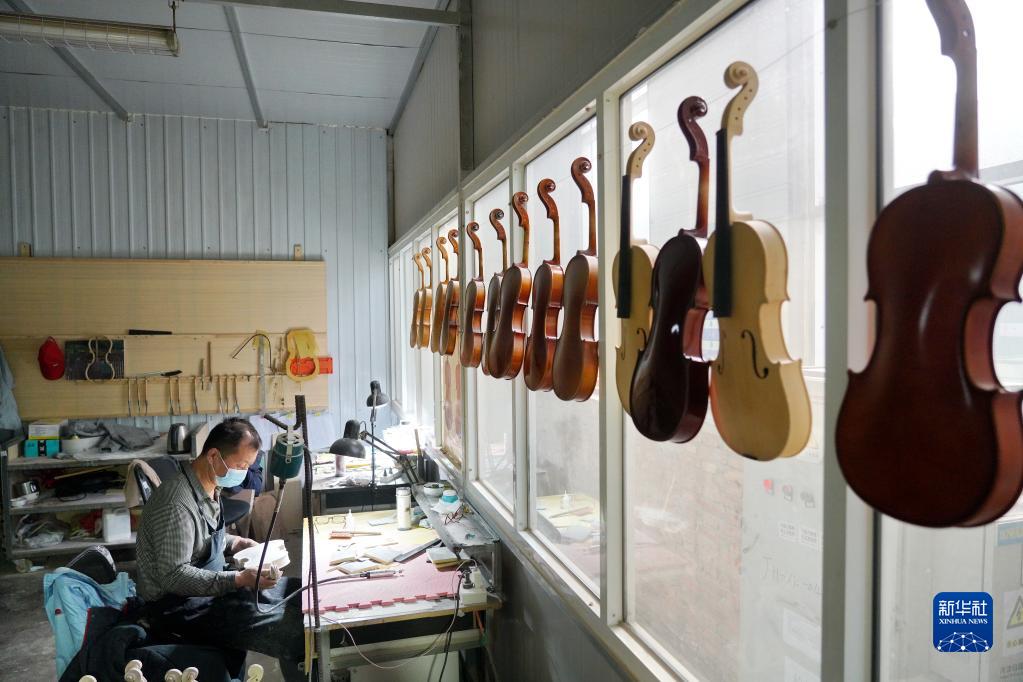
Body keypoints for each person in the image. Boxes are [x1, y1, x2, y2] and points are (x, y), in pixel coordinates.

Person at [135, 418, 305, 681]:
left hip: (208, 589)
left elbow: (201, 539)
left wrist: (236, 543)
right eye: (241, 466)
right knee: (292, 629)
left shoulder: (207, 486)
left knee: (300, 593)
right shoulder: (176, 505)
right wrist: (239, 579)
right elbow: (174, 576)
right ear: (214, 455)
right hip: (177, 607)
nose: (243, 473)